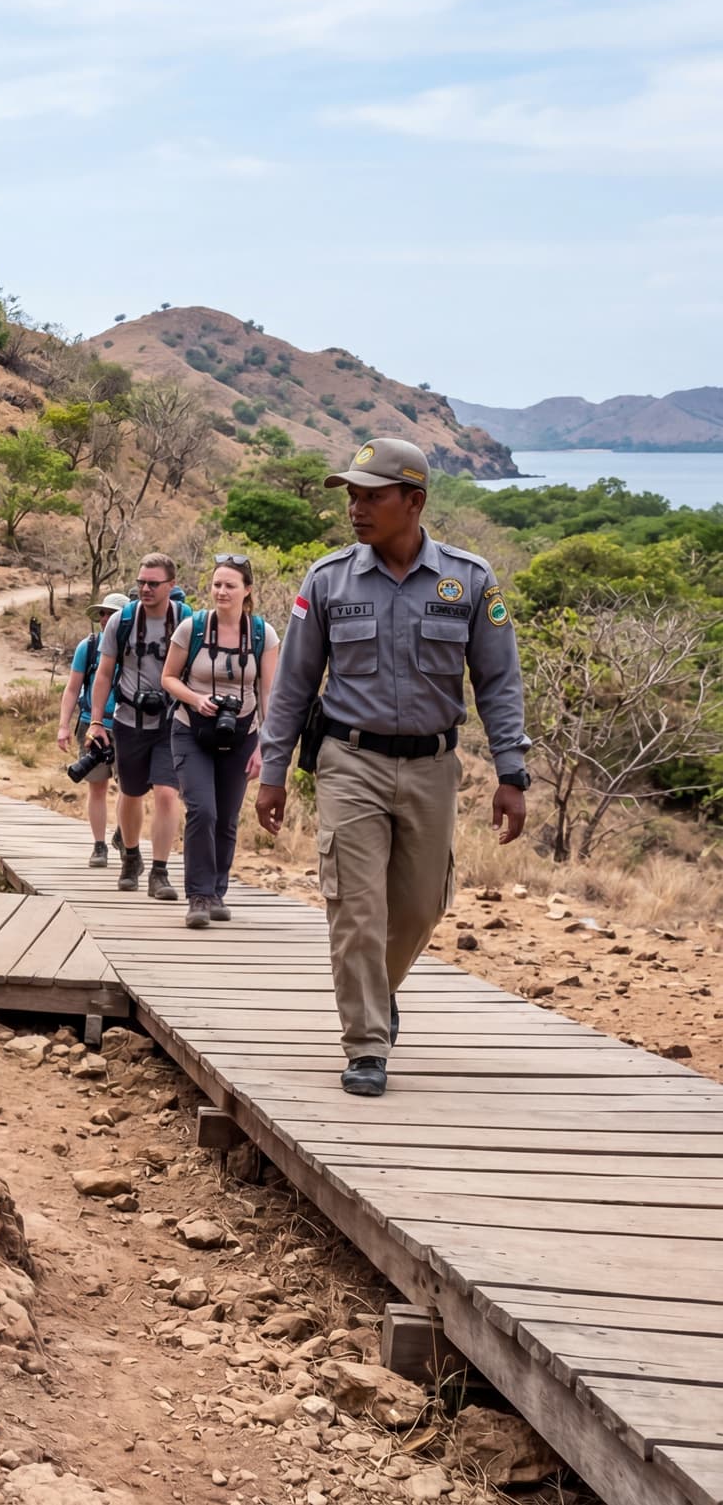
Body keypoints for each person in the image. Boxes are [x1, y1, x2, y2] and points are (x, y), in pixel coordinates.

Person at [256, 438, 529, 1098]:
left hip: (435, 766)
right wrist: (272, 769)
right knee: (356, 904)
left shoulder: (469, 579)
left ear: (414, 501)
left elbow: (498, 680)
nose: (355, 506)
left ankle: (378, 993)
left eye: (371, 494)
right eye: (351, 493)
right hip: (349, 760)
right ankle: (367, 1044)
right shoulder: (327, 580)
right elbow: (293, 683)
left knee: (421, 902)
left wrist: (511, 771)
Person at [163, 555, 278, 928]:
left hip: (242, 735)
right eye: (216, 584)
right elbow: (168, 678)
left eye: (230, 585)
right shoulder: (191, 628)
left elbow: (269, 695)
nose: (221, 591)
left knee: (227, 818)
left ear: (247, 591)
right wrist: (196, 699)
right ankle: (197, 895)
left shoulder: (263, 635)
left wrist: (264, 746)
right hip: (190, 729)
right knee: (203, 811)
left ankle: (216, 892)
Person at [86, 553, 190, 899]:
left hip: (171, 720)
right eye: (141, 582)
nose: (145, 589)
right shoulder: (123, 621)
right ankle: (131, 856)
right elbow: (103, 673)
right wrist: (97, 721)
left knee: (166, 793)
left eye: (153, 583)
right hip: (129, 720)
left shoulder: (187, 622)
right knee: (131, 793)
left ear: (171, 585)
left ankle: (159, 872)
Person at [57, 592, 128, 867]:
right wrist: (64, 726)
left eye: (111, 614)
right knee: (97, 787)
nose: (104, 619)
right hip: (91, 724)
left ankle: (124, 837)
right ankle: (99, 846)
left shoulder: (136, 647)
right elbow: (73, 687)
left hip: (128, 725)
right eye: (102, 614)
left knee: (129, 788)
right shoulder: (88, 647)